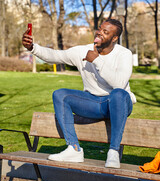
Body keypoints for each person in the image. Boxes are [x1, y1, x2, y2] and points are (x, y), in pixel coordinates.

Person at [22, 18, 136, 168]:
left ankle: (113, 152)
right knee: (60, 95)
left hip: (118, 104)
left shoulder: (124, 54)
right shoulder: (82, 51)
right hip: (94, 104)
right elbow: (56, 56)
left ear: (114, 38)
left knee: (118, 94)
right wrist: (32, 47)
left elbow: (119, 84)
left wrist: (97, 60)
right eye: (100, 29)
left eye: (105, 32)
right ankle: (74, 149)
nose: (100, 33)